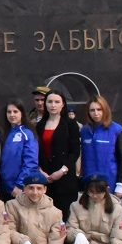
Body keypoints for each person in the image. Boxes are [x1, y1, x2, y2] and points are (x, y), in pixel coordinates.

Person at [36, 90, 81, 220]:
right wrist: (40, 170)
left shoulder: (70, 124)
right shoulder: (40, 125)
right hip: (45, 176)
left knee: (64, 215)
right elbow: (37, 151)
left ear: (63, 105)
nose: (53, 105)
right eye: (50, 101)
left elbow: (75, 151)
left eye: (57, 102)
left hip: (64, 176)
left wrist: (62, 170)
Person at [80, 96, 122, 198]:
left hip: (110, 182)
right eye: (92, 110)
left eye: (99, 109)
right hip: (89, 182)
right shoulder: (84, 131)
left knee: (110, 213)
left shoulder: (117, 130)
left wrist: (121, 184)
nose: (96, 113)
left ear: (105, 110)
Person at [0, 100, 40, 204]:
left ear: (22, 113)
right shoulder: (4, 133)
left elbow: (30, 162)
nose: (12, 115)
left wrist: (19, 185)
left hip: (18, 188)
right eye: (9, 112)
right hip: (3, 187)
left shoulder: (27, 134)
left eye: (15, 111)